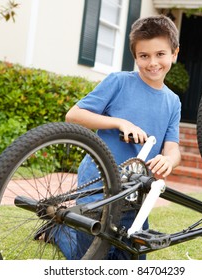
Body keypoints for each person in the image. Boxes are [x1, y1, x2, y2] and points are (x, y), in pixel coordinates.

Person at [57, 14, 182, 259]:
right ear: (135, 57)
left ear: (174, 53)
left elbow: (172, 148)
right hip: (97, 186)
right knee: (86, 258)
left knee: (132, 259)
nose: (152, 63)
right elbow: (73, 115)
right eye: (144, 56)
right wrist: (119, 122)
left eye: (160, 54)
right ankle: (59, 232)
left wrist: (169, 161)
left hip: (135, 195)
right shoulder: (119, 82)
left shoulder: (173, 101)